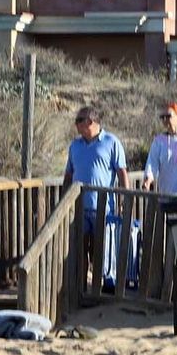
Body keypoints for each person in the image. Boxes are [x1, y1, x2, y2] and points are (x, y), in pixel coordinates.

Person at [63, 106, 130, 289]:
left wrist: (124, 200)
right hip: (79, 206)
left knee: (101, 250)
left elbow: (122, 173)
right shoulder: (75, 145)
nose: (75, 124)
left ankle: (102, 288)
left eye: (79, 121)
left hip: (103, 207)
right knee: (80, 249)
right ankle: (82, 287)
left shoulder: (111, 142)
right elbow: (69, 174)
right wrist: (64, 200)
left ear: (90, 122)